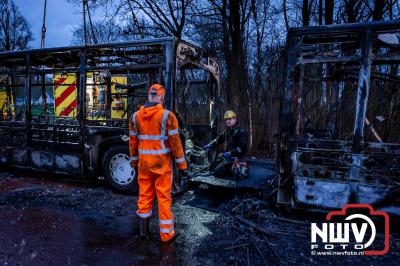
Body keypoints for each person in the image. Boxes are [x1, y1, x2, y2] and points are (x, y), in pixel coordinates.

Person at [129, 84, 187, 242]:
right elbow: (176, 145)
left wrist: (134, 162)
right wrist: (182, 166)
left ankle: (143, 232)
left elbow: (133, 143)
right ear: (161, 97)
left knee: (144, 197)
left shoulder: (135, 117)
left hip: (144, 166)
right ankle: (166, 235)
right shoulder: (168, 116)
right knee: (163, 199)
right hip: (162, 166)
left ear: (149, 96)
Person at [204, 110, 248, 178]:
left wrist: (230, 153)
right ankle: (223, 169)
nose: (227, 121)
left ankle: (231, 171)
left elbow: (242, 148)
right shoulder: (227, 131)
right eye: (226, 119)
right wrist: (210, 144)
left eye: (230, 119)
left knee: (217, 172)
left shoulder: (241, 132)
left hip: (236, 159)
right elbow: (218, 140)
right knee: (211, 168)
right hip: (227, 157)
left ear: (235, 119)